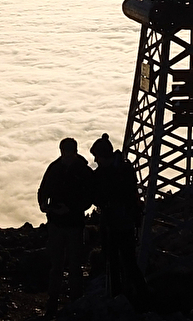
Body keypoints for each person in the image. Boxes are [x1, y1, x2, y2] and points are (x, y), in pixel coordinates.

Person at [37, 137, 93, 317]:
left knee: (75, 265)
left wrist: (71, 209)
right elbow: (43, 190)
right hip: (56, 223)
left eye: (68, 154)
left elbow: (89, 198)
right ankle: (52, 303)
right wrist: (43, 205)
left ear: (74, 152)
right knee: (57, 265)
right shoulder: (55, 168)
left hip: (74, 224)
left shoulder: (83, 171)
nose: (66, 157)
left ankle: (75, 302)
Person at [89, 133, 147, 305]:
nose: (96, 160)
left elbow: (102, 196)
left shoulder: (110, 172)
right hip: (123, 221)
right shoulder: (124, 168)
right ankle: (137, 296)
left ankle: (120, 297)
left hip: (117, 222)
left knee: (117, 261)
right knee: (125, 261)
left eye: (97, 157)